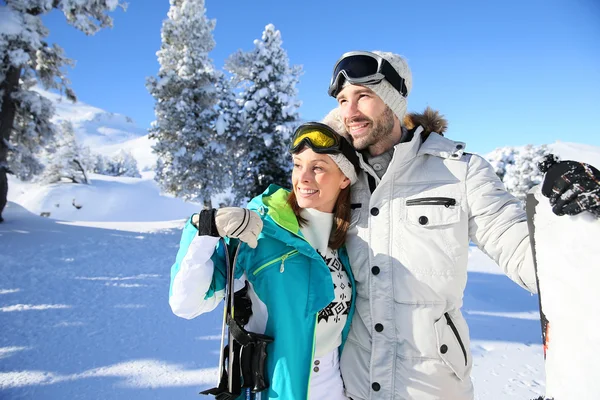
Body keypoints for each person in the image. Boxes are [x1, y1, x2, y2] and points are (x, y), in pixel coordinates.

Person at [321, 50, 600, 400]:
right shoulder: (340, 178)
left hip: (434, 387)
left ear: (394, 100)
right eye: (343, 100)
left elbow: (525, 253)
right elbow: (293, 214)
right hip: (354, 385)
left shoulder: (460, 171)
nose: (350, 112)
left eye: (364, 96)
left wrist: (576, 226)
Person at [169, 122, 362, 399]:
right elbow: (185, 303)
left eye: (318, 168)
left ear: (345, 178)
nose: (303, 178)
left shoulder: (348, 240)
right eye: (298, 165)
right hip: (275, 388)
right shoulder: (260, 230)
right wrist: (205, 227)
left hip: (335, 384)